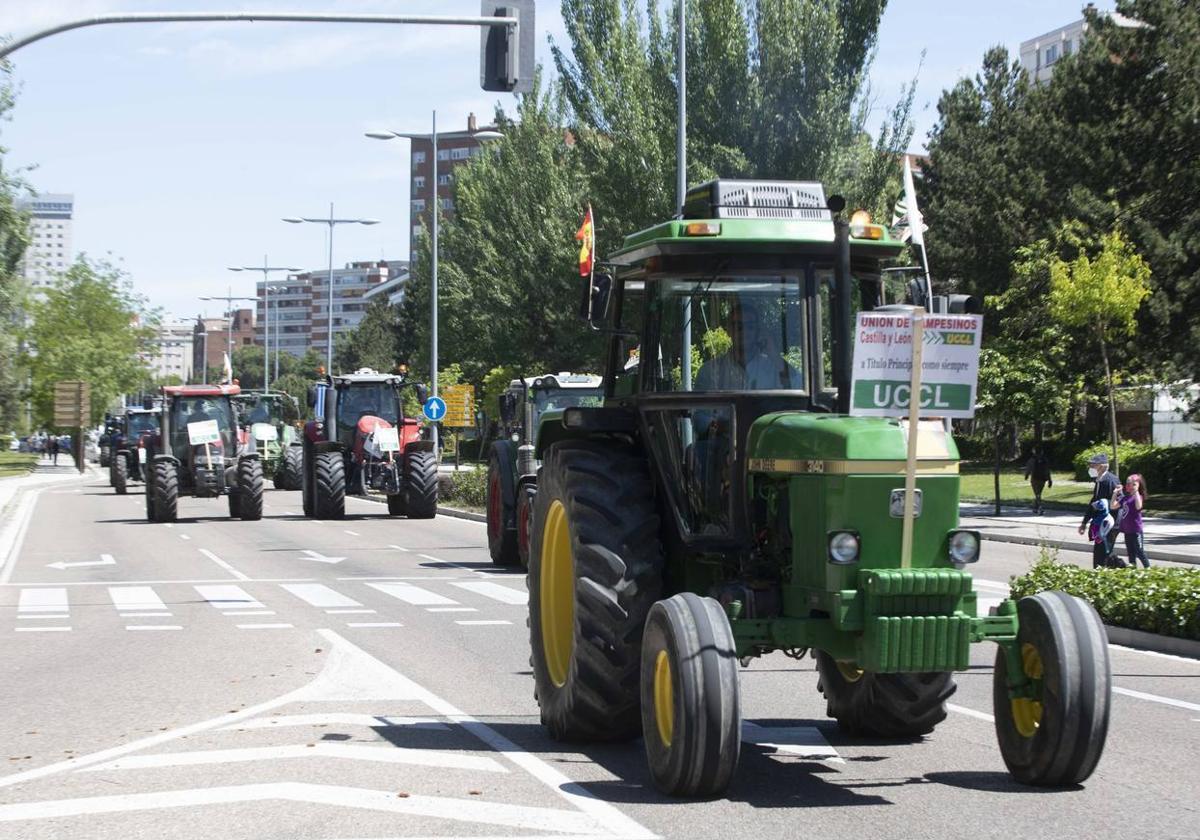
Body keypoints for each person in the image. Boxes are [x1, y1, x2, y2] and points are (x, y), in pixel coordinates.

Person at [1077, 452, 1122, 568]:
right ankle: (1119, 569)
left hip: (1109, 525)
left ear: (1101, 466)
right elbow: (1094, 503)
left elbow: (1120, 499)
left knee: (1102, 555)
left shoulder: (1111, 480)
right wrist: (1084, 522)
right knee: (1103, 553)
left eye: (1093, 465)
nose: (1090, 468)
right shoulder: (1099, 481)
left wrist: (1110, 507)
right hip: (1101, 524)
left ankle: (1116, 570)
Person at [1113, 473, 1150, 569]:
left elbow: (1139, 506)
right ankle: (1133, 571)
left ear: (1138, 485)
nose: (1131, 486)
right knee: (1130, 553)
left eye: (1134, 484)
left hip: (1136, 530)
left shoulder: (1138, 497)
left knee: (1139, 551)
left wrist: (1136, 492)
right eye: (1129, 483)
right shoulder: (1125, 498)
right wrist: (1115, 493)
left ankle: (1148, 569)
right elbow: (1112, 506)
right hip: (1127, 530)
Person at [1024, 447, 1053, 515]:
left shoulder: (1032, 460)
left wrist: (1026, 475)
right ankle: (1035, 508)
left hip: (1034, 478)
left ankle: (1040, 507)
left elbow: (1028, 468)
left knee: (1037, 494)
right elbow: (1047, 470)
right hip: (1042, 479)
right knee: (1038, 493)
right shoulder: (1045, 460)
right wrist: (1049, 480)